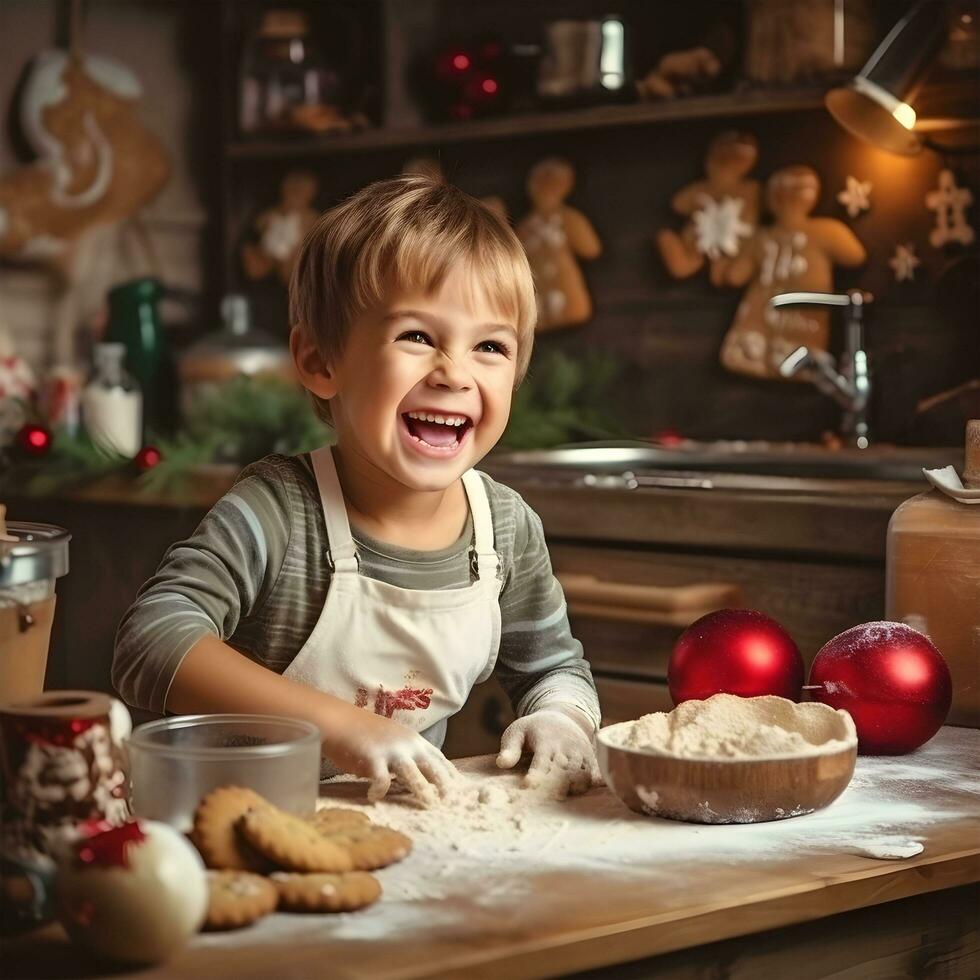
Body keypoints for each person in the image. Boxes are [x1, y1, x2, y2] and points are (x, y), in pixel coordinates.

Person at [113, 175, 601, 803]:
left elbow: (556, 668)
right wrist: (341, 726)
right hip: (226, 825)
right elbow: (150, 640)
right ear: (320, 362)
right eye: (417, 337)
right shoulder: (279, 510)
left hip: (408, 843)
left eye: (489, 346)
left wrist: (563, 715)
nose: (454, 373)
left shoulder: (504, 527)